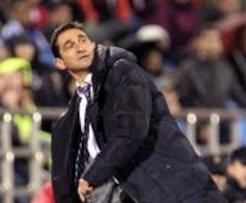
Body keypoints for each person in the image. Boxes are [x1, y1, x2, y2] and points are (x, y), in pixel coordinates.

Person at [50, 21, 228, 203]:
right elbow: (64, 176)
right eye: (70, 46)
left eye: (83, 40)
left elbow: (131, 130)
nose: (80, 48)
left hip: (171, 188)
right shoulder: (71, 118)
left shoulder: (123, 73)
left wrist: (94, 174)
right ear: (60, 63)